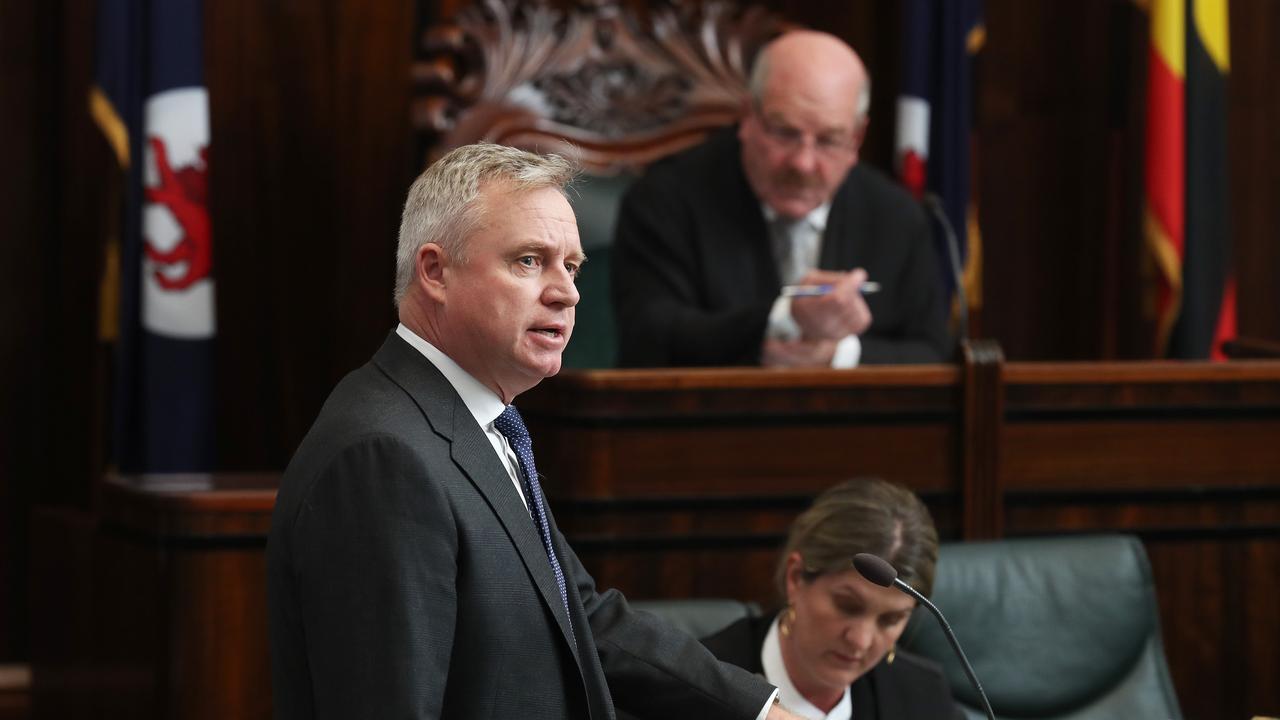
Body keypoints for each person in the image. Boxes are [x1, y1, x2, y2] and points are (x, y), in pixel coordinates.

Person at [267, 143, 809, 720]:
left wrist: (763, 713)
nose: (567, 293)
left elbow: (582, 615)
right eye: (529, 260)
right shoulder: (384, 456)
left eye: (571, 266)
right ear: (434, 272)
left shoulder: (481, 423)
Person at [611, 30, 950, 368]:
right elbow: (649, 336)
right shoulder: (664, 200)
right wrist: (783, 317)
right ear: (747, 116)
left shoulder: (896, 216)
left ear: (856, 138)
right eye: (785, 133)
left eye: (829, 140)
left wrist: (837, 356)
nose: (803, 163)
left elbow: (934, 354)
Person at [701, 478, 964, 720]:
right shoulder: (700, 680)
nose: (860, 641)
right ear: (795, 578)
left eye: (890, 620)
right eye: (847, 606)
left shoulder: (923, 697)